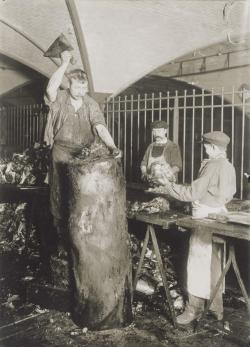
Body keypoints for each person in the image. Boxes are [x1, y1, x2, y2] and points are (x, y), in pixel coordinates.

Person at [155, 131, 236, 324]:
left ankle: (194, 309)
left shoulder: (213, 166)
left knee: (198, 264)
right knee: (214, 263)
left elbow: (192, 193)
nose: (205, 149)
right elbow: (225, 193)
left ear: (214, 148)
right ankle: (217, 308)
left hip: (204, 217)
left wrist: (168, 186)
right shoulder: (228, 166)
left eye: (207, 146)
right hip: (219, 214)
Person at [44, 50, 121, 234]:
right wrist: (64, 64)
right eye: (78, 88)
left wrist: (112, 146)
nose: (82, 91)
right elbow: (50, 89)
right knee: (59, 190)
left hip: (83, 154)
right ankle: (59, 229)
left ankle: (82, 229)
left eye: (84, 88)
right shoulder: (60, 98)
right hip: (61, 152)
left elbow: (101, 128)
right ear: (69, 86)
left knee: (83, 191)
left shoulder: (90, 104)